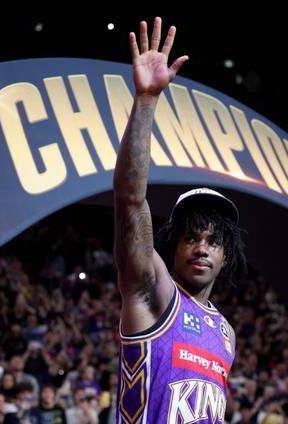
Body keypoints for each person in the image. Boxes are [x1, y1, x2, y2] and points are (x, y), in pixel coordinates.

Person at [113, 17, 246, 423]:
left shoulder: (226, 333)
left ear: (225, 257)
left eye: (213, 241)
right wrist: (146, 100)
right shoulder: (154, 293)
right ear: (174, 245)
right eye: (191, 238)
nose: (202, 248)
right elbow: (130, 201)